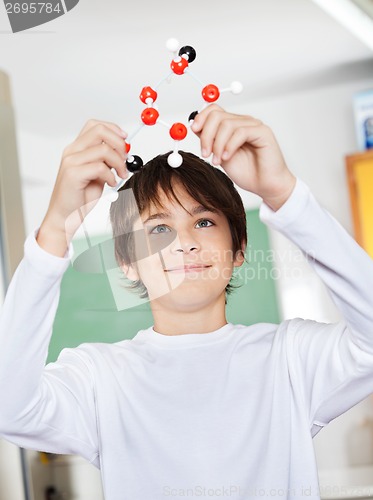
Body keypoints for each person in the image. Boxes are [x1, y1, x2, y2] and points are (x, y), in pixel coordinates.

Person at [0, 104, 373, 500]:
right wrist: (57, 225)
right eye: (159, 228)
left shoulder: (292, 358)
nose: (185, 242)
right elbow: (10, 407)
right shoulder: (99, 377)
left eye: (205, 222)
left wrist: (284, 193)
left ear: (239, 248)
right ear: (127, 262)